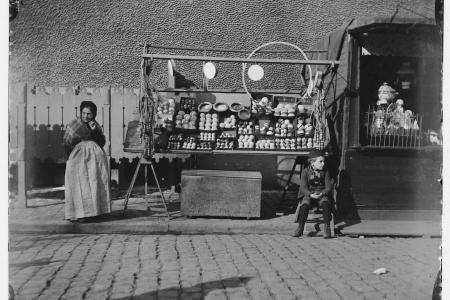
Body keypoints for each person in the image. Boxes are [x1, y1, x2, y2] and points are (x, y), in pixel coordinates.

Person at [63, 101, 111, 222]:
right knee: (80, 184)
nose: (86, 116)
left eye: (89, 114)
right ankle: (80, 214)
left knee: (94, 182)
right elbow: (67, 142)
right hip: (78, 157)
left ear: (93, 114)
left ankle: (96, 212)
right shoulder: (74, 124)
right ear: (80, 112)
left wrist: (94, 131)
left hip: (95, 158)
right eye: (83, 113)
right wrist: (70, 158)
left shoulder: (95, 125)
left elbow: (101, 142)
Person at [292, 149, 333, 238]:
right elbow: (303, 187)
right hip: (309, 193)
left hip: (321, 193)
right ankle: (300, 227)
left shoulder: (325, 171)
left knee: (326, 204)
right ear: (312, 162)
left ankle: (327, 228)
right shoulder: (305, 171)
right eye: (320, 161)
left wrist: (322, 193)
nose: (323, 163)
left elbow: (328, 187)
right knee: (305, 205)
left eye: (323, 161)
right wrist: (310, 194)